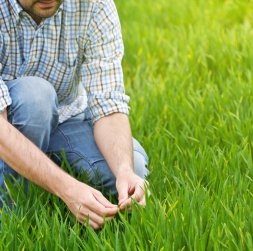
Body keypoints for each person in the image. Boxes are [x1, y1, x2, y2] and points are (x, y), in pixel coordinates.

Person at [0, 0, 149, 229]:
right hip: (8, 120)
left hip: (65, 118)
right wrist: (66, 188)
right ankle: (12, 213)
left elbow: (107, 102)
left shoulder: (95, 5)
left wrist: (124, 171)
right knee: (36, 97)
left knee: (133, 168)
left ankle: (41, 165)